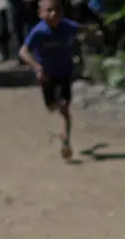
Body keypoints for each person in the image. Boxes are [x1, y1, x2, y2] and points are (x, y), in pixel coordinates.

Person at [18, 0, 82, 159]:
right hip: (47, 75)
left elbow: (82, 30)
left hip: (65, 72)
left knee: (65, 107)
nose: (54, 14)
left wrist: (95, 33)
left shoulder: (68, 26)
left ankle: (66, 140)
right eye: (49, 11)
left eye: (57, 11)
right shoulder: (39, 32)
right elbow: (23, 52)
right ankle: (58, 111)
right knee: (52, 107)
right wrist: (37, 67)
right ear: (41, 14)